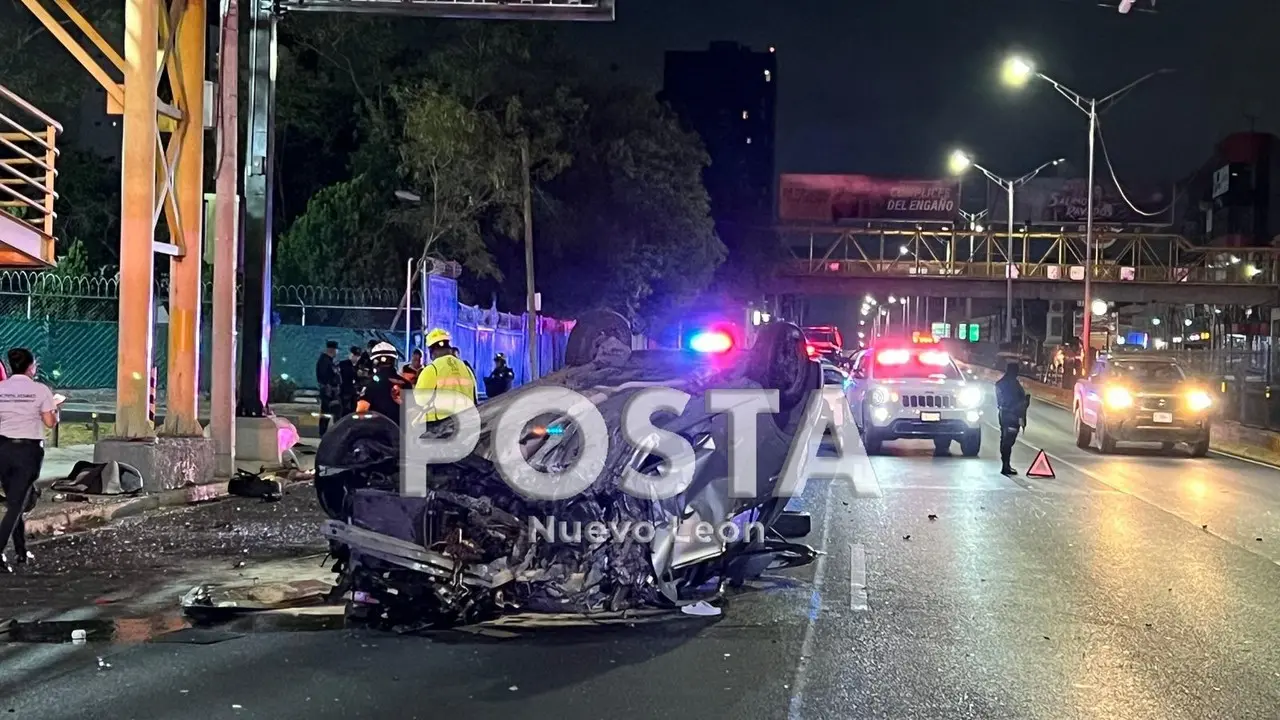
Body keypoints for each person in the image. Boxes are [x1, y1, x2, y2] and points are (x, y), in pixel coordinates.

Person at [0, 347, 61, 572]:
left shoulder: (1, 388)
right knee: (18, 504)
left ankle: (21, 551)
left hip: (3, 449)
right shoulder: (40, 390)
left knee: (16, 500)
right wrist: (55, 408)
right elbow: (49, 422)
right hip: (28, 452)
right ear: (31, 367)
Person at [413, 329, 478, 425]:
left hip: (440, 426)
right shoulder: (466, 368)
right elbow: (474, 396)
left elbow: (420, 400)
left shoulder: (432, 369)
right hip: (466, 422)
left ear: (431, 351)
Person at [356, 342, 413, 422]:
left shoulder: (370, 385)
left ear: (375, 362)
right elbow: (412, 413)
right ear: (394, 361)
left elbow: (361, 412)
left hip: (377, 432)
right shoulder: (406, 384)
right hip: (400, 431)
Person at [994, 361, 1030, 476]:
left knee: (1005, 439)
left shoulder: (1000, 384)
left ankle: (1005, 464)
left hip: (1003, 415)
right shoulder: (1013, 385)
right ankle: (1006, 466)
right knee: (1008, 441)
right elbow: (1019, 402)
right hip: (1012, 416)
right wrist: (1025, 402)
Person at [315, 341, 341, 436]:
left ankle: (325, 432)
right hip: (328, 392)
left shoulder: (328, 360)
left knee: (329, 412)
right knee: (329, 412)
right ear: (332, 350)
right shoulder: (324, 361)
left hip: (330, 391)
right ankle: (325, 433)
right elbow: (325, 377)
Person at [338, 346, 361, 415]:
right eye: (354, 355)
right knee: (344, 411)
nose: (356, 358)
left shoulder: (358, 366)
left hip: (354, 394)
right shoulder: (343, 365)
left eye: (357, 356)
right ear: (350, 355)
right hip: (344, 392)